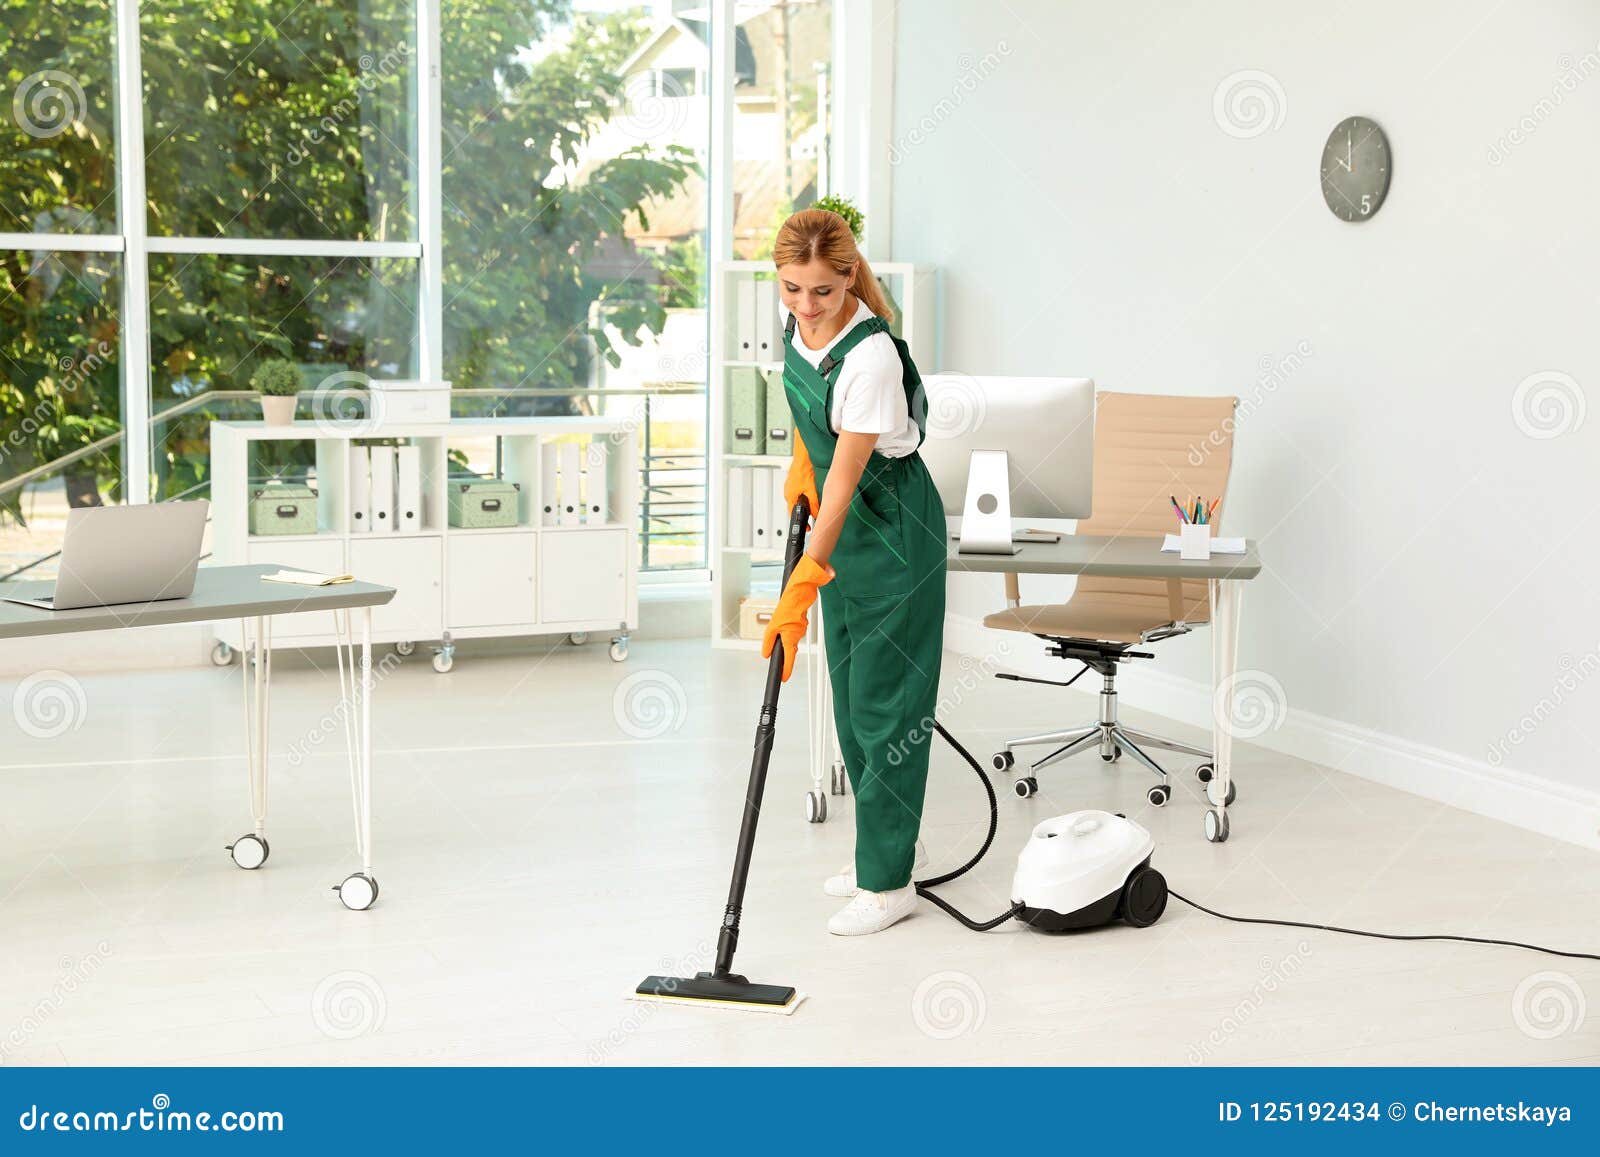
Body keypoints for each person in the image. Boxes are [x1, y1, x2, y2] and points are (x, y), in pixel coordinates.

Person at [761, 208, 945, 936]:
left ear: (849, 279)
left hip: (891, 528)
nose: (806, 306)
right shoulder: (799, 326)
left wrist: (802, 583)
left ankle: (888, 882)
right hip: (846, 526)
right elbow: (821, 442)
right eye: (791, 288)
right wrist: (802, 463)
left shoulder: (870, 359)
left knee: (886, 706)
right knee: (850, 701)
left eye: (823, 292)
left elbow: (848, 484)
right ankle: (892, 847)